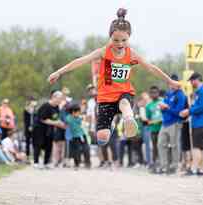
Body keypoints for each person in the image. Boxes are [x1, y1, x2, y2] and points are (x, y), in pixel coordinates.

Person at [48, 8, 180, 146]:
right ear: (110, 37)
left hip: (124, 93)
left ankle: (129, 119)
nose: (120, 44)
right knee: (102, 139)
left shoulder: (131, 54)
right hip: (105, 97)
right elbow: (80, 61)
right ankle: (109, 127)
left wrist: (169, 81)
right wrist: (59, 72)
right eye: (115, 40)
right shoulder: (104, 52)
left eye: (124, 40)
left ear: (129, 37)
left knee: (124, 103)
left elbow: (151, 68)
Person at [180, 72, 203, 176]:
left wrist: (189, 111)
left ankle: (194, 168)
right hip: (200, 122)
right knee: (202, 147)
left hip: (201, 122)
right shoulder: (199, 91)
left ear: (197, 79)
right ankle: (202, 169)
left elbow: (202, 107)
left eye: (192, 81)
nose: (191, 83)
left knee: (197, 147)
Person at [157, 75, 187, 174]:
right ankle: (164, 166)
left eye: (173, 83)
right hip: (165, 123)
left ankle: (175, 166)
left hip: (175, 123)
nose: (171, 85)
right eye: (170, 83)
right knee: (161, 144)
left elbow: (179, 111)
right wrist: (162, 108)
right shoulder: (168, 94)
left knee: (175, 145)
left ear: (178, 83)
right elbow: (164, 108)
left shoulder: (181, 95)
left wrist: (167, 108)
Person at [32, 90, 65, 169]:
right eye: (59, 99)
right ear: (53, 97)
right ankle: (36, 162)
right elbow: (43, 119)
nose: (60, 101)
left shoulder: (56, 107)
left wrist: (61, 124)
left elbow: (55, 118)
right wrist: (56, 123)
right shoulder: (46, 106)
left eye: (61, 99)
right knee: (38, 144)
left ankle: (46, 163)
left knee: (49, 145)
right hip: (39, 128)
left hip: (49, 129)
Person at [66, 103, 91, 170]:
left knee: (86, 149)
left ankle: (87, 163)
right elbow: (68, 121)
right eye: (78, 112)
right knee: (76, 151)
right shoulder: (69, 118)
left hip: (82, 135)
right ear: (73, 112)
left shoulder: (79, 117)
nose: (79, 113)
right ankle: (77, 164)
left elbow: (84, 122)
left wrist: (82, 118)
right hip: (75, 137)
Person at [145, 86, 163, 168]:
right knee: (154, 146)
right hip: (153, 129)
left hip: (163, 128)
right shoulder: (148, 106)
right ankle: (155, 163)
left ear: (158, 93)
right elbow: (148, 120)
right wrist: (153, 122)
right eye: (152, 93)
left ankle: (164, 162)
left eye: (155, 92)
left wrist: (161, 120)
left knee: (162, 146)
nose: (153, 94)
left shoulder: (163, 101)